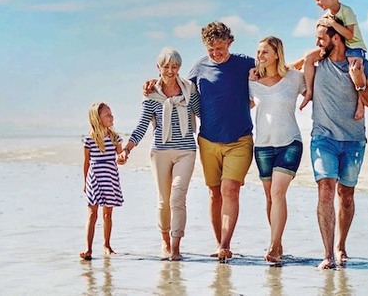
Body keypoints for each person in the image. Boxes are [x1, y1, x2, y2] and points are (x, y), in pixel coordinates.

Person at [144, 21, 255, 261]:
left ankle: (226, 244)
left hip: (240, 139)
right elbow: (175, 85)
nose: (215, 53)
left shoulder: (245, 63)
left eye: (220, 48)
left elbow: (274, 69)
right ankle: (218, 243)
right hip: (208, 140)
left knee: (230, 189)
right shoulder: (199, 68)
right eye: (211, 49)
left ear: (230, 42)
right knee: (215, 193)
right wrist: (152, 85)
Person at [310, 17, 368, 269]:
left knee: (346, 194)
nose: (317, 42)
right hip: (323, 138)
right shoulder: (316, 62)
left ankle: (341, 246)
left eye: (321, 37)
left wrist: (359, 82)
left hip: (353, 141)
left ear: (336, 38)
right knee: (326, 189)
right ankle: (327, 254)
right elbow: (284, 68)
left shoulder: (361, 64)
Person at [119, 47, 200, 261]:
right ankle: (164, 242)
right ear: (158, 68)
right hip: (160, 152)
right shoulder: (152, 94)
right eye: (166, 67)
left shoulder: (190, 89)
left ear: (179, 68)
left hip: (186, 151)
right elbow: (142, 125)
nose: (171, 71)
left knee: (177, 197)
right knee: (164, 200)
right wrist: (127, 149)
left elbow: (205, 114)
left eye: (175, 67)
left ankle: (175, 246)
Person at [248, 36, 305, 263]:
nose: (260, 56)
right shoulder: (251, 82)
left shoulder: (293, 78)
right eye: (259, 52)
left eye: (265, 52)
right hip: (262, 146)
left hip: (290, 142)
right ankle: (278, 245)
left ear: (276, 54)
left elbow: (311, 65)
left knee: (278, 193)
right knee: (270, 198)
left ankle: (272, 246)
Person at [296, 0, 368, 121]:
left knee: (355, 72)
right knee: (309, 56)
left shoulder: (346, 11)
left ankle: (361, 105)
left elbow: (349, 35)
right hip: (339, 46)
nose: (317, 3)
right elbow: (325, 29)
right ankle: (310, 91)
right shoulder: (328, 15)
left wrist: (333, 24)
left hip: (354, 48)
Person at [80, 102, 125, 260]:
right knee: (92, 214)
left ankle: (107, 245)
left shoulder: (115, 137)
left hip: (110, 177)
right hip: (95, 178)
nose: (111, 117)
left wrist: (122, 158)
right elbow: (86, 162)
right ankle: (88, 248)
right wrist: (85, 182)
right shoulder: (89, 139)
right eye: (107, 115)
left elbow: (121, 157)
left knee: (107, 214)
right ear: (97, 119)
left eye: (111, 114)